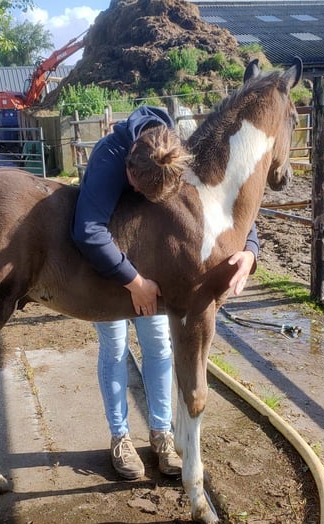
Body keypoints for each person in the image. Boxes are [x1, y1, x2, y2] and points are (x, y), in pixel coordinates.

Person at [71, 105, 259, 480]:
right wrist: (135, 282)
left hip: (158, 279)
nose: (138, 192)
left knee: (159, 347)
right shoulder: (110, 156)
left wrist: (250, 249)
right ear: (129, 170)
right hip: (109, 275)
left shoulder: (177, 155)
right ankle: (120, 436)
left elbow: (229, 211)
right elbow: (88, 231)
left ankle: (161, 433)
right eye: (137, 189)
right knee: (115, 347)